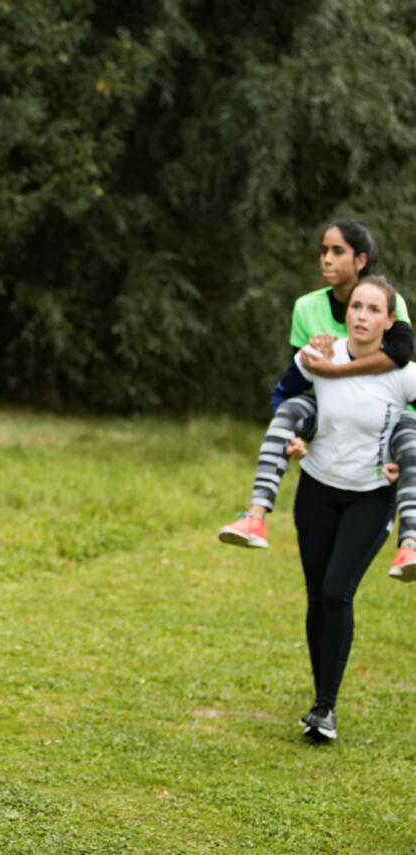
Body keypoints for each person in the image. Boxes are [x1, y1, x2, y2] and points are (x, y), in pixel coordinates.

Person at [270, 276, 416, 741]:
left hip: (371, 496)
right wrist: (292, 435)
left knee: (337, 591)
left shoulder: (403, 372)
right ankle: (321, 702)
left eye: (374, 309)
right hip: (316, 490)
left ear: (389, 321)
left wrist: (402, 454)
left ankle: (326, 708)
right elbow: (283, 395)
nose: (361, 316)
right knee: (318, 595)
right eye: (356, 306)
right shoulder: (319, 356)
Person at [218, 218, 413, 550]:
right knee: (293, 407)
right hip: (328, 410)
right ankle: (255, 515)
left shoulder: (389, 302)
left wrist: (335, 369)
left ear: (360, 260)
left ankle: (409, 543)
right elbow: (298, 380)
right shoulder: (306, 307)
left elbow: (399, 355)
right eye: (323, 251)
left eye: (338, 251)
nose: (326, 259)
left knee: (409, 434)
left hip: (383, 414)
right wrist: (294, 433)